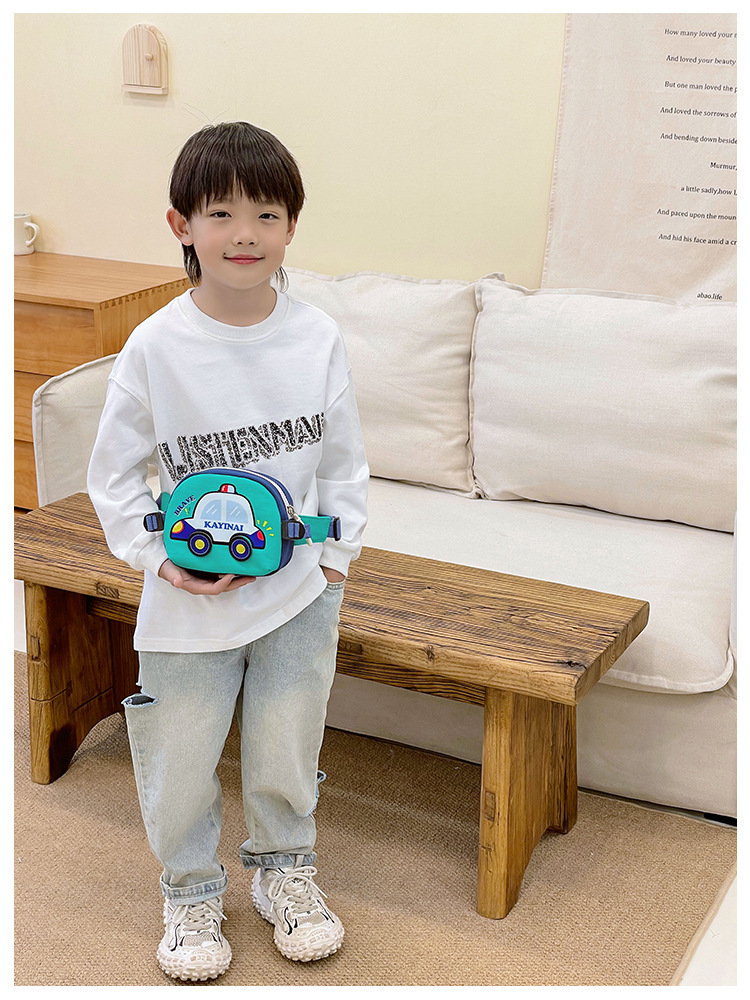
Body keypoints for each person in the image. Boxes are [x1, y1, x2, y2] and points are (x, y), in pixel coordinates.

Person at [87, 121, 369, 982]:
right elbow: (113, 476)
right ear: (182, 225)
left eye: (266, 214)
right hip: (187, 601)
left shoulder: (316, 338)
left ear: (292, 227)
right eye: (221, 213)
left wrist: (334, 564)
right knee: (178, 754)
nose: (245, 233)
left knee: (288, 743)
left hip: (298, 594)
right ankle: (190, 889)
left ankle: (286, 873)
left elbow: (344, 461)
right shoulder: (155, 346)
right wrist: (159, 560)